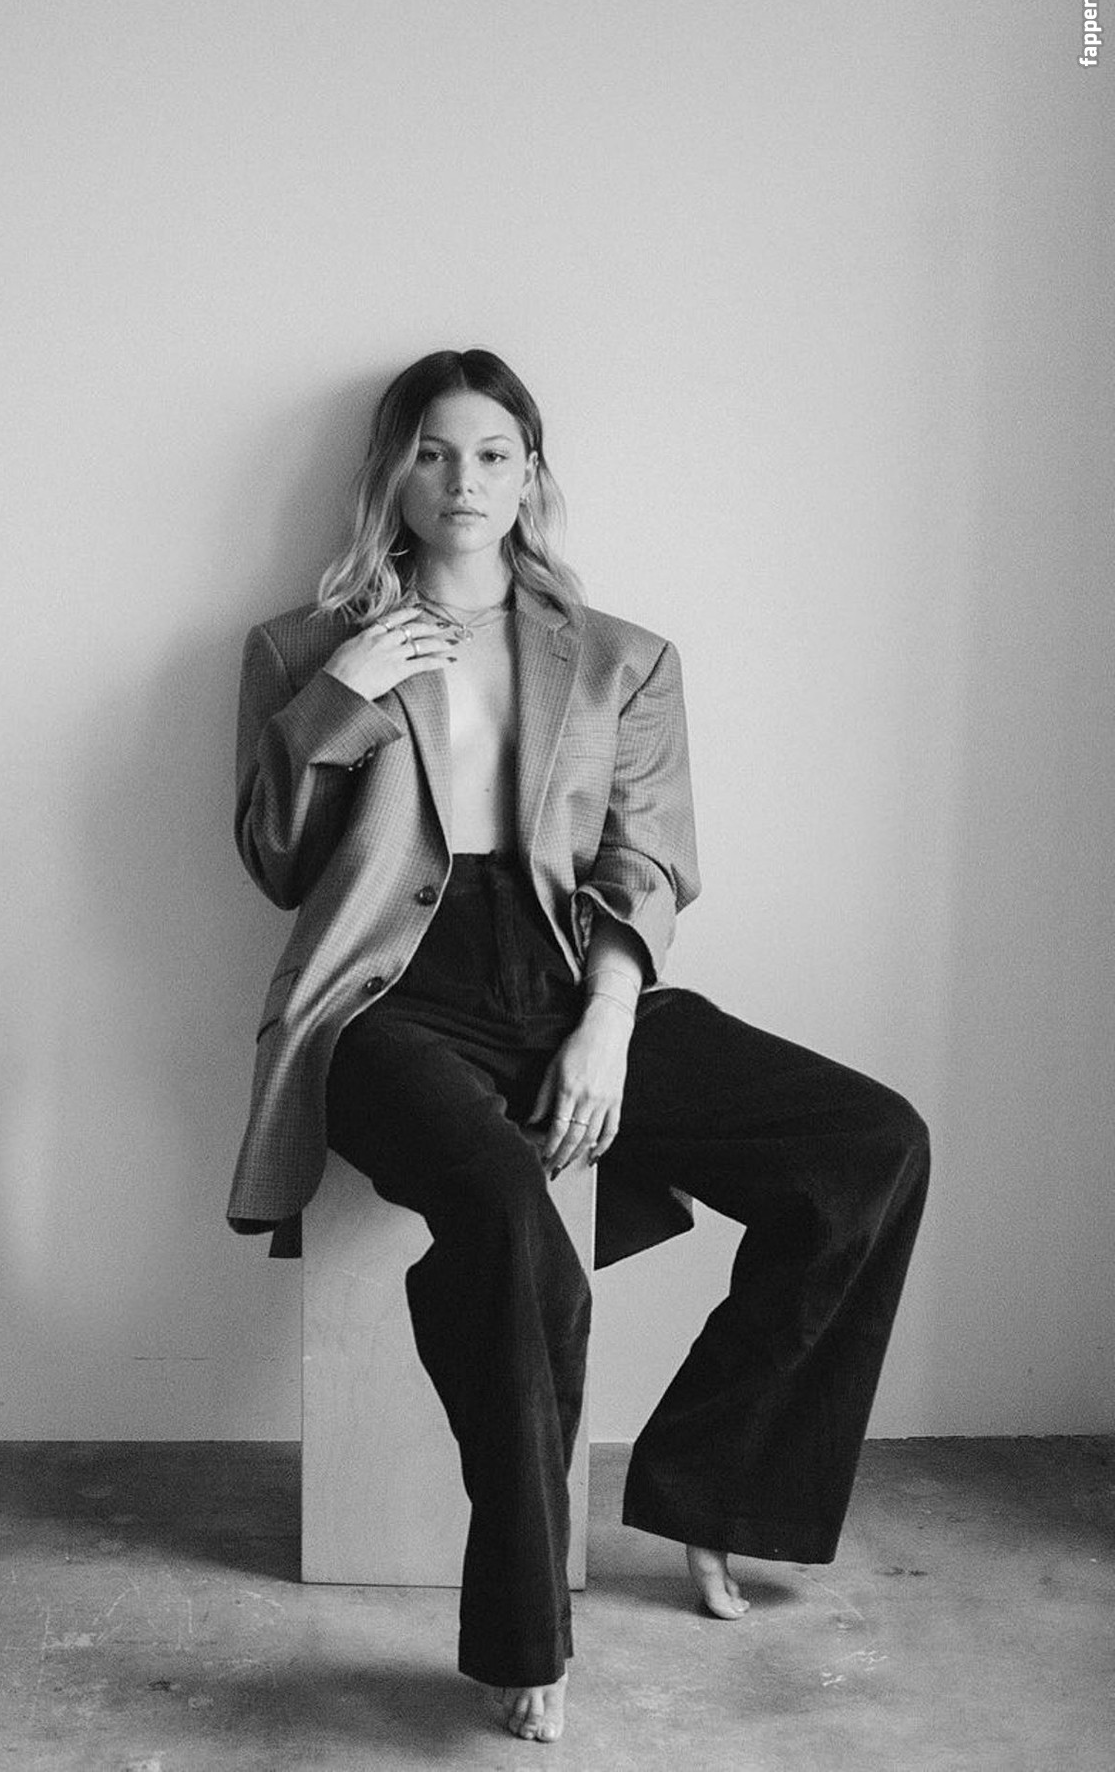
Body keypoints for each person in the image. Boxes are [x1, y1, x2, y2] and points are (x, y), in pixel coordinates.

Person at [227, 349, 929, 1745]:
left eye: (493, 454)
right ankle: (521, 1631)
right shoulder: (298, 651)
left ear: (531, 474)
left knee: (868, 1146)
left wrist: (608, 1022)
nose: (464, 481)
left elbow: (646, 862)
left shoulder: (621, 657)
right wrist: (343, 695)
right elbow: (276, 862)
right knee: (505, 1219)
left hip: (570, 975)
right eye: (433, 453)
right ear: (391, 475)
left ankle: (716, 1489)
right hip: (388, 1000)